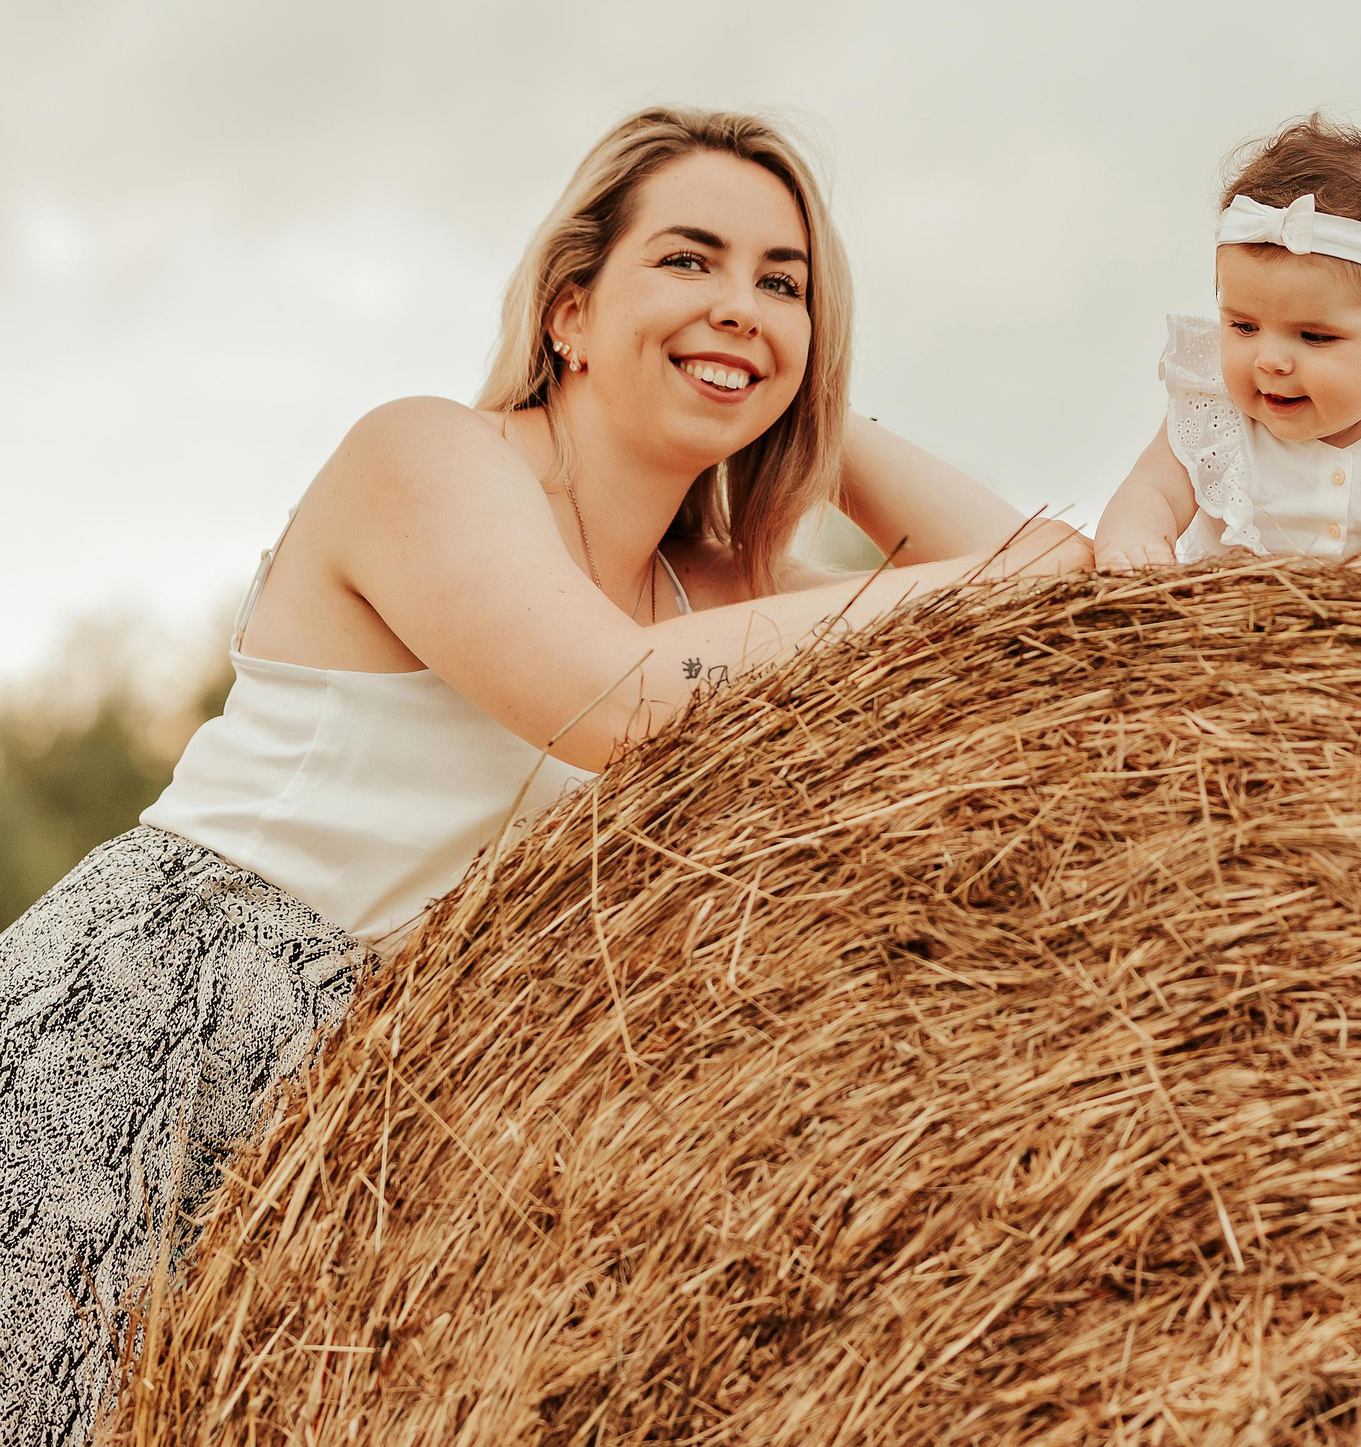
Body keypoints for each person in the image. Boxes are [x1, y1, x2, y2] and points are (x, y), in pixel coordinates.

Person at [0, 106, 1088, 1443]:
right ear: (569, 308)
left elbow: (1048, 588)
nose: (739, 302)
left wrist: (814, 406)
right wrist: (916, 535)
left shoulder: (723, 593)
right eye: (689, 261)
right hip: (155, 1024)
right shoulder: (429, 457)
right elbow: (616, 700)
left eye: (782, 281)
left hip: (372, 1119)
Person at [1095, 117, 1361, 572]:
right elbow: (1149, 494)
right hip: (1238, 624)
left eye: (1314, 336)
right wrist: (1135, 542)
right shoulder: (1211, 411)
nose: (1269, 361)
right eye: (1244, 327)